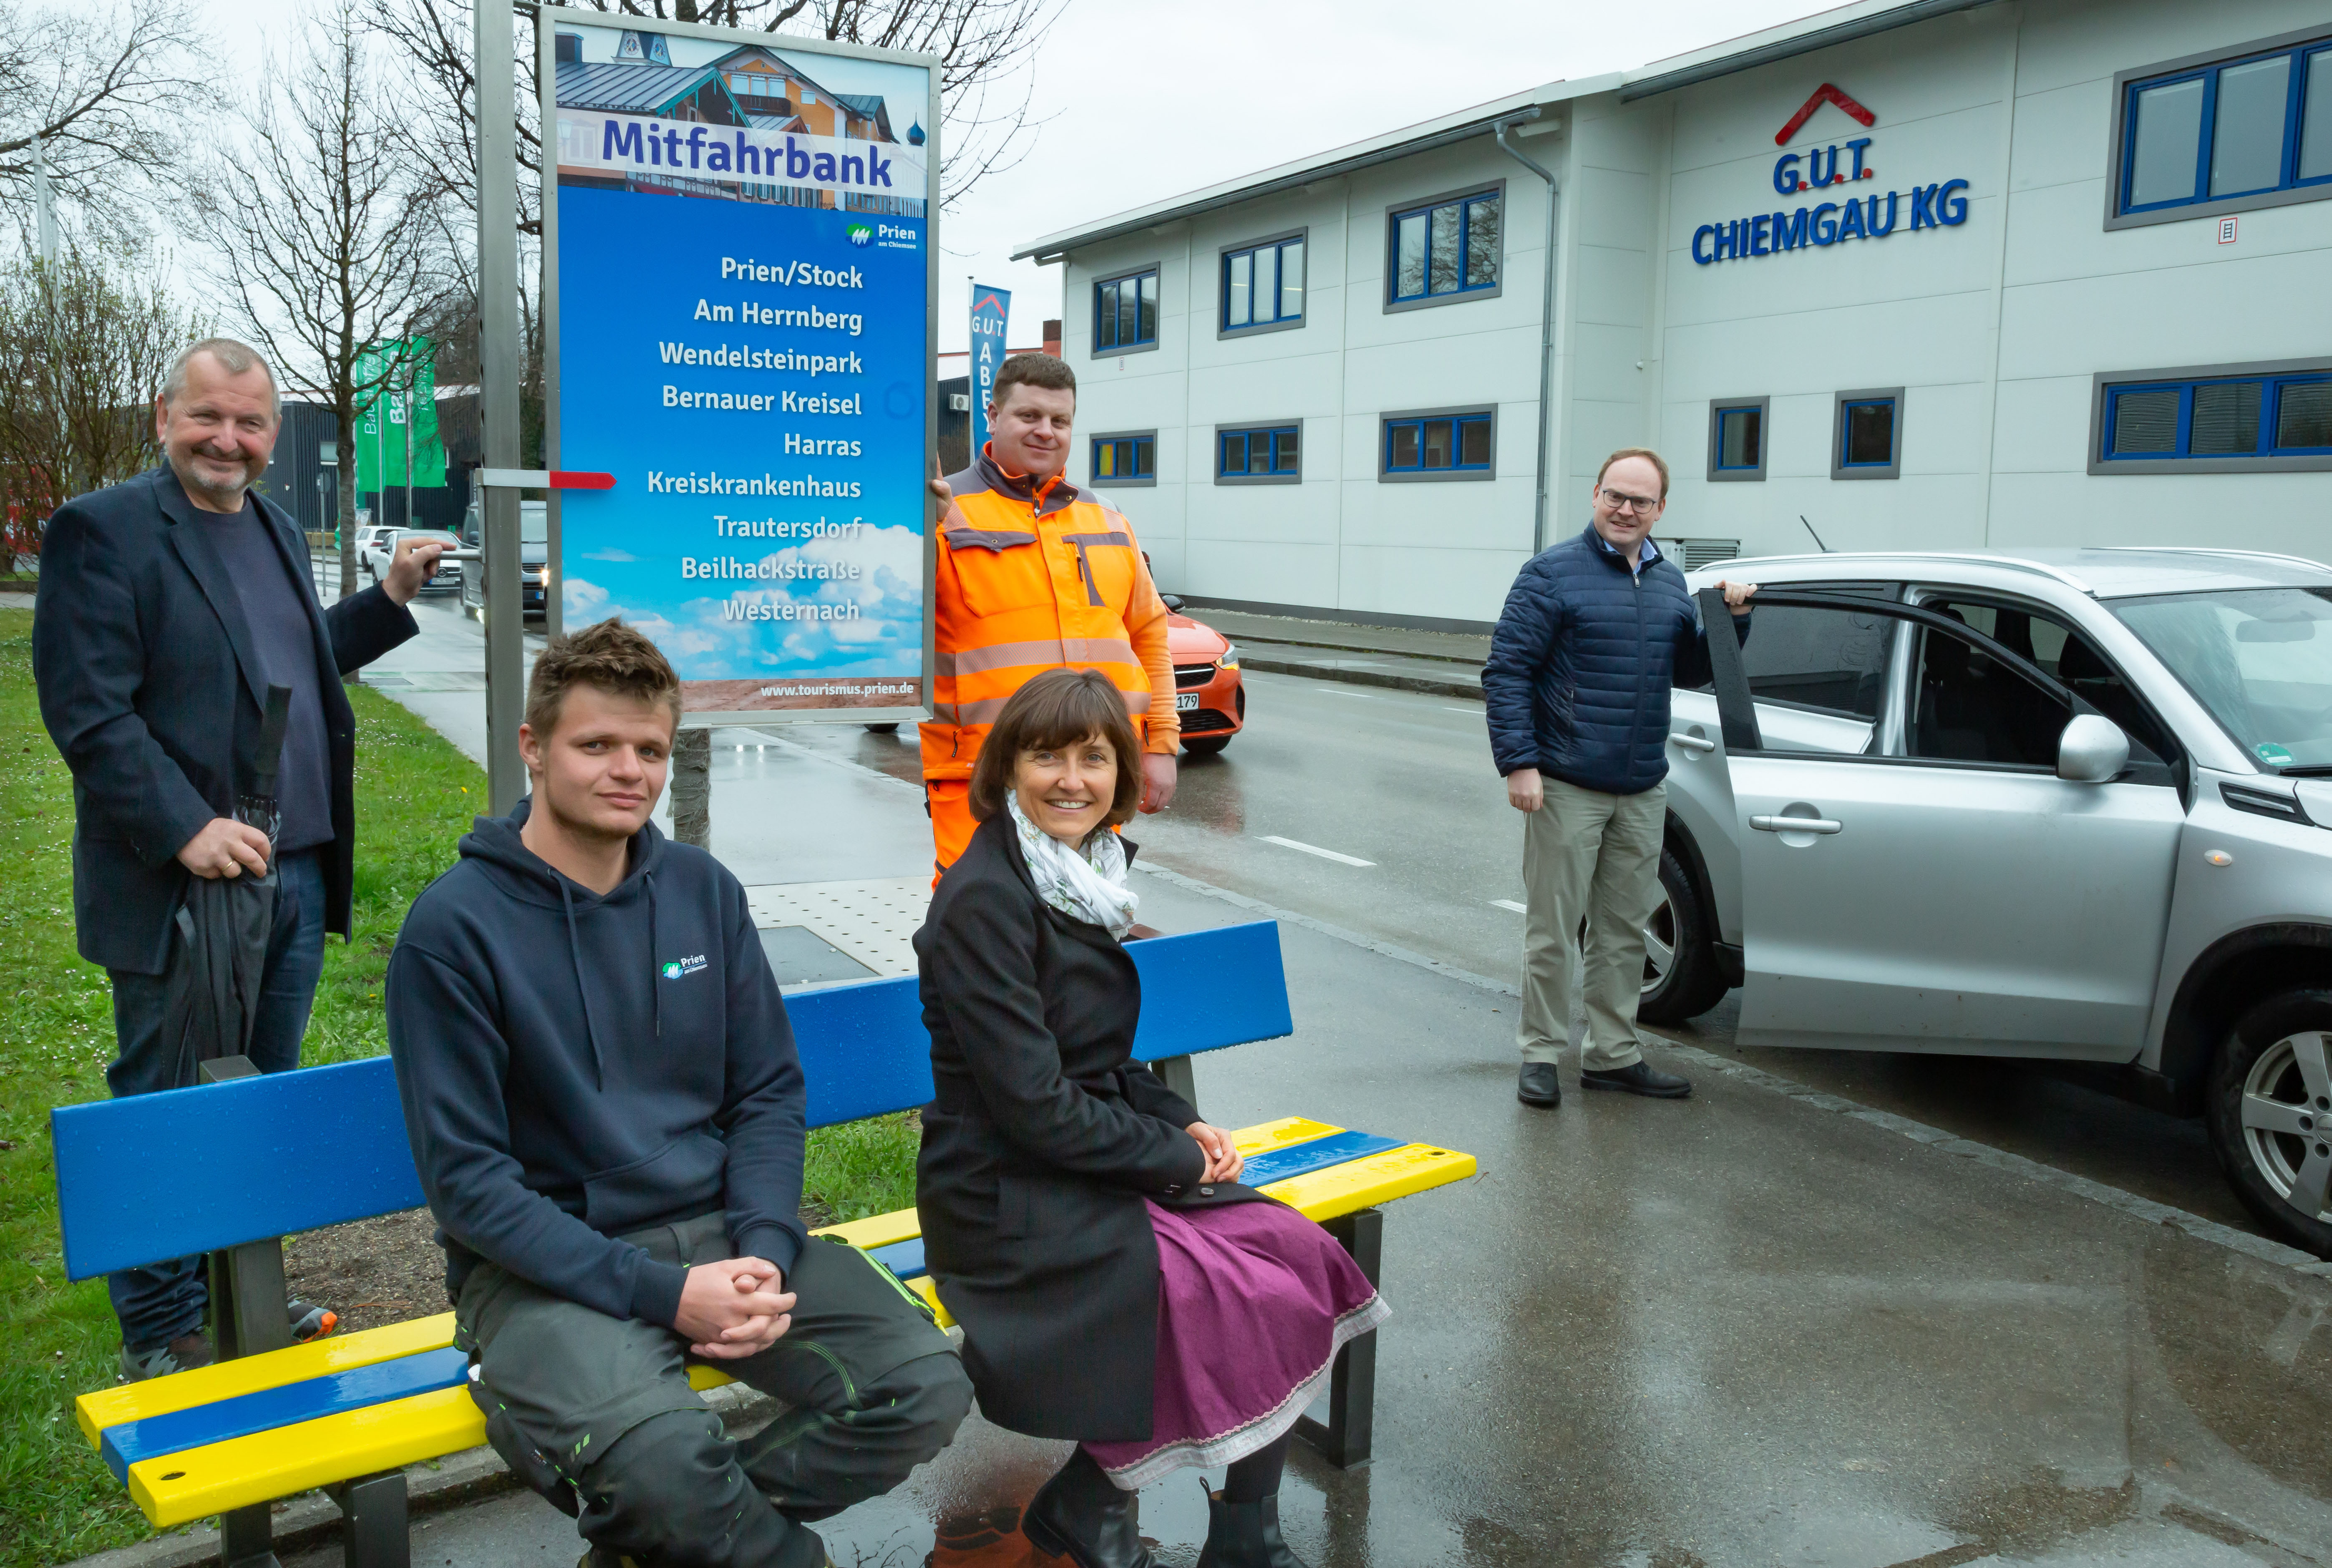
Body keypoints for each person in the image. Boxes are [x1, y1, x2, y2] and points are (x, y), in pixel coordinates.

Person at [386, 619, 970, 1568]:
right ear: (533, 747)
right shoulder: (453, 931)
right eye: (596, 745)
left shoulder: (701, 890)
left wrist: (766, 1248)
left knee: (924, 1384)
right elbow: (469, 1186)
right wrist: (664, 1294)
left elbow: (767, 1092)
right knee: (665, 1468)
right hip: (547, 1272)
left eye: (650, 749)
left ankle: (658, 1542)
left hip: (723, 1231)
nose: (630, 771)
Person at [33, 337, 443, 1380]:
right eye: (207, 416)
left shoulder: (270, 525)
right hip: (186, 878)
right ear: (164, 417)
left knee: (258, 1096)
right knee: (170, 1097)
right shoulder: (105, 530)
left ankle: (242, 1295)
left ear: (271, 434)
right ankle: (163, 1328)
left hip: (291, 871)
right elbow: (87, 710)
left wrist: (389, 598)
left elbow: (292, 658)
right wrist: (187, 826)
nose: (229, 439)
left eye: (250, 423)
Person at [915, 667, 1386, 1568]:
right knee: (1227, 1288)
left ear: (1120, 774)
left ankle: (1242, 1533)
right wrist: (1171, 1155)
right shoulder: (986, 899)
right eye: (1046, 756)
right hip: (1004, 1189)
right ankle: (1095, 1501)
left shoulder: (1078, 874)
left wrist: (1181, 1121)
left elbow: (1100, 1057)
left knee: (1290, 1251)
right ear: (1007, 766)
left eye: (1093, 758)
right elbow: (1034, 1106)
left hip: (1078, 1159)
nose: (1071, 779)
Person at [1483, 448, 1756, 1111]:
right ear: (1595, 495)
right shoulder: (1550, 573)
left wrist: (1733, 622)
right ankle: (1540, 1053)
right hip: (1565, 782)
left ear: (1660, 509)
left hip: (1641, 786)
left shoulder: (1668, 582)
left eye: (1640, 500)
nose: (1625, 509)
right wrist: (1519, 762)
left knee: (1623, 930)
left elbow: (1686, 671)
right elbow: (1507, 671)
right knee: (1553, 929)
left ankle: (1612, 1055)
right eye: (1615, 495)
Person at [922, 353, 1180, 878]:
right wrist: (923, 528)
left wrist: (1161, 745)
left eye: (1060, 420)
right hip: (982, 772)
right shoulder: (941, 508)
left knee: (1085, 910)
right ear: (993, 416)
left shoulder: (1107, 517)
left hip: (1089, 773)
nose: (1046, 431)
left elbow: (1149, 635)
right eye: (1029, 416)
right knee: (979, 913)